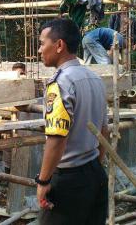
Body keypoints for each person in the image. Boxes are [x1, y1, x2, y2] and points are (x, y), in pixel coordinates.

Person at [36, 18, 108, 224]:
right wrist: (95, 167)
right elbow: (104, 131)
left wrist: (44, 180)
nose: (40, 50)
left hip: (68, 180)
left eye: (42, 43)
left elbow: (57, 138)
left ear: (59, 45)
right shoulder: (95, 80)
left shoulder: (61, 83)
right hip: (94, 173)